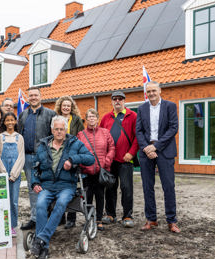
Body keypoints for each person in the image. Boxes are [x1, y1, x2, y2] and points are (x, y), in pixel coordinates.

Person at [30, 116, 94, 259]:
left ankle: (41, 239)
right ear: (52, 129)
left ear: (66, 129)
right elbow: (34, 166)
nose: (59, 132)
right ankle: (43, 247)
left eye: (62, 129)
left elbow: (90, 159)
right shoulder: (43, 145)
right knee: (40, 205)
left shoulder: (74, 143)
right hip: (47, 186)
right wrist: (34, 183)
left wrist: (73, 160)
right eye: (56, 129)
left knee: (61, 203)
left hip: (67, 186)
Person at [136, 81, 180, 233]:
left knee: (168, 186)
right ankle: (151, 219)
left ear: (160, 91)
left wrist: (156, 146)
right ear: (146, 93)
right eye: (149, 91)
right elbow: (139, 131)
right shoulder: (142, 108)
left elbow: (173, 127)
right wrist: (147, 149)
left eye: (154, 90)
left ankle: (171, 221)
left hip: (165, 150)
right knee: (147, 187)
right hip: (146, 151)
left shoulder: (170, 106)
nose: (152, 93)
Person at [18, 87, 56, 230]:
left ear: (41, 97)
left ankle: (48, 217)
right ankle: (34, 218)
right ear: (28, 98)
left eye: (36, 95)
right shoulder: (23, 115)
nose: (33, 97)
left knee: (46, 186)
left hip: (44, 157)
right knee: (32, 188)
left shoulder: (50, 114)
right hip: (28, 158)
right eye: (31, 95)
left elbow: (55, 136)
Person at [100, 91, 139, 228]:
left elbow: (137, 137)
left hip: (126, 159)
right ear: (111, 101)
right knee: (110, 187)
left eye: (120, 99)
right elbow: (101, 138)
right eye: (115, 99)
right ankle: (110, 214)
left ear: (124, 101)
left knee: (126, 188)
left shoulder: (133, 116)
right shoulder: (106, 118)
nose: (117, 101)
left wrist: (131, 153)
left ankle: (127, 215)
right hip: (110, 161)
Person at [77, 109, 115, 231]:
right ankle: (89, 219)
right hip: (86, 172)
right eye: (89, 117)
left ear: (97, 119)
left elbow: (112, 148)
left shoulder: (105, 133)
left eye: (94, 116)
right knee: (87, 197)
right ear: (86, 120)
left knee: (99, 196)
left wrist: (106, 161)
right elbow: (77, 151)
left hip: (100, 171)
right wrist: (82, 165)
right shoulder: (81, 135)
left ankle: (98, 220)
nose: (92, 119)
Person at [54, 95, 84, 229]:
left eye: (68, 105)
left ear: (71, 107)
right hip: (57, 155)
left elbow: (81, 136)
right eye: (64, 105)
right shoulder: (55, 119)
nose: (66, 107)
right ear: (60, 106)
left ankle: (71, 218)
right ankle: (60, 217)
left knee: (71, 186)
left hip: (72, 155)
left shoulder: (76, 119)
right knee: (58, 185)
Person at [0, 112, 25, 237]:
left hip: (15, 173)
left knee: (13, 200)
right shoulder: (0, 137)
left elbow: (21, 157)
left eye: (12, 120)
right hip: (3, 171)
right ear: (4, 122)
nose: (9, 123)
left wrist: (13, 174)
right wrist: (3, 173)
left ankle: (12, 225)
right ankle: (3, 224)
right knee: (3, 199)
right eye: (7, 120)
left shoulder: (19, 137)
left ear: (15, 122)